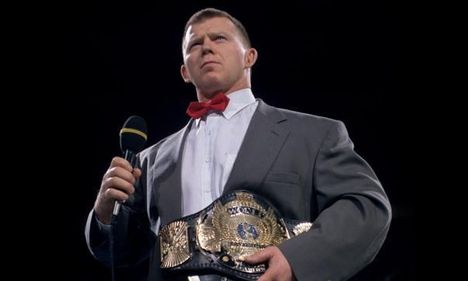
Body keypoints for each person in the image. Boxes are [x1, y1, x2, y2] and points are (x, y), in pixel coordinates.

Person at [85, 7, 391, 281]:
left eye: (219, 38)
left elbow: (366, 207)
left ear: (250, 57)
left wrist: (297, 260)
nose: (206, 47)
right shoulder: (149, 161)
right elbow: (120, 254)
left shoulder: (313, 134)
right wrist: (103, 213)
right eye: (194, 44)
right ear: (184, 72)